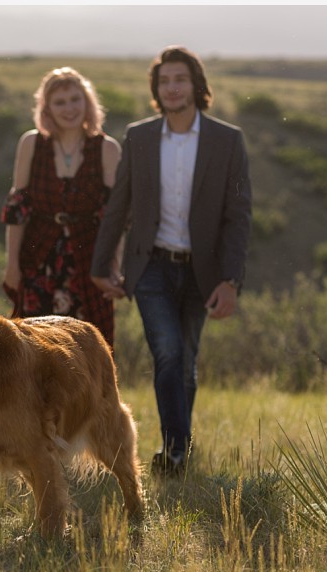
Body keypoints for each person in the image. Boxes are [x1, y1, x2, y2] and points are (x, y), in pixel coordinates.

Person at [90, 46, 252, 476]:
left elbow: (238, 218)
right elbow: (118, 204)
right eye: (164, 81)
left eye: (180, 79)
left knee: (185, 360)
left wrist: (231, 281)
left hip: (204, 271)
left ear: (196, 85)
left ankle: (178, 445)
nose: (172, 87)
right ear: (156, 89)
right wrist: (100, 265)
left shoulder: (227, 140)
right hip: (151, 267)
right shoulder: (139, 137)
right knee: (167, 352)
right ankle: (176, 450)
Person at [0, 67, 121, 348]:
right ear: (47, 109)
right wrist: (12, 266)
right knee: (33, 348)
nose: (69, 108)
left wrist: (113, 265)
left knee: (90, 349)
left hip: (89, 259)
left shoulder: (107, 149)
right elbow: (18, 210)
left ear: (87, 102)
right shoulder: (32, 143)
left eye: (75, 99)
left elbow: (114, 217)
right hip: (38, 257)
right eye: (60, 102)